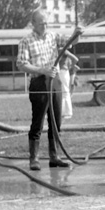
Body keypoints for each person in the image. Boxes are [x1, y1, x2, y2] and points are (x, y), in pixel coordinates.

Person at [17, 10, 81, 170]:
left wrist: (77, 32)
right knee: (38, 121)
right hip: (39, 82)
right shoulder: (26, 41)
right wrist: (42, 70)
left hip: (55, 82)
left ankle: (55, 156)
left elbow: (72, 42)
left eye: (46, 23)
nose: (44, 26)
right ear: (33, 24)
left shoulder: (53, 36)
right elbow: (21, 64)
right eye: (41, 23)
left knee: (56, 120)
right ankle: (34, 158)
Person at [58, 48, 79, 120]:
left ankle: (67, 112)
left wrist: (71, 67)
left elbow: (75, 59)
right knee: (62, 92)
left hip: (63, 71)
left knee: (65, 92)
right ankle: (62, 112)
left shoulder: (63, 50)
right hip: (60, 72)